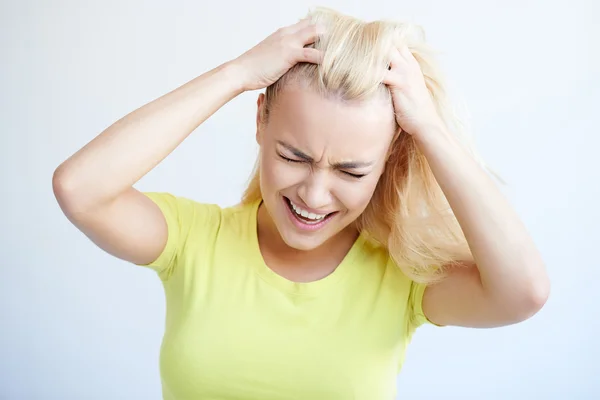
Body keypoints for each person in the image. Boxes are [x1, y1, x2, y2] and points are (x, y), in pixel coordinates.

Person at [52, 7, 550, 400]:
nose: (313, 196)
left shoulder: (400, 279)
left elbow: (524, 292)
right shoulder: (192, 240)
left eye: (351, 171)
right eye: (293, 156)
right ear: (260, 123)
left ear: (386, 162)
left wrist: (429, 129)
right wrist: (237, 72)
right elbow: (80, 188)